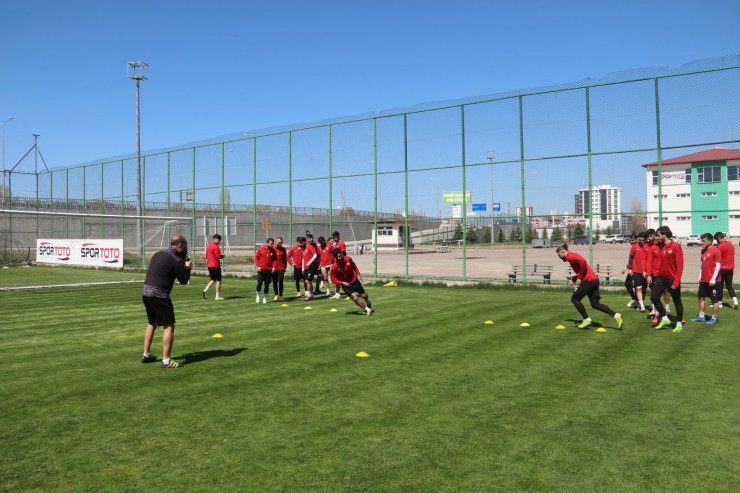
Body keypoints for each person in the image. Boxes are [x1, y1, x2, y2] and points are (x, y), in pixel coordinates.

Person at [140, 235, 192, 368]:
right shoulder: (176, 259)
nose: (186, 249)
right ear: (180, 245)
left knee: (153, 322)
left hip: (146, 291)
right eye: (185, 246)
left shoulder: (159, 253)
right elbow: (183, 280)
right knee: (169, 325)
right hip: (159, 294)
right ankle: (166, 361)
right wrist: (187, 268)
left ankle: (146, 354)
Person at [556, 244, 623, 329]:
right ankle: (616, 315)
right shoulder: (571, 257)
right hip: (594, 280)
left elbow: (583, 261)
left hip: (588, 281)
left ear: (563, 252)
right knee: (595, 304)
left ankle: (586, 319)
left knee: (575, 299)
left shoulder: (570, 256)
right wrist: (575, 278)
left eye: (559, 255)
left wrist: (579, 276)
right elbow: (581, 268)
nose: (559, 257)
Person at [650, 226, 685, 332]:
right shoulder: (660, 246)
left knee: (677, 301)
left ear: (665, 235)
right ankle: (664, 318)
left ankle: (679, 323)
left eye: (658, 235)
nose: (656, 237)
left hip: (672, 279)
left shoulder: (675, 247)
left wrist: (677, 280)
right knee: (654, 297)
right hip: (661, 278)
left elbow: (680, 265)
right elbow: (650, 244)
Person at [330, 247, 374, 315]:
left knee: (364, 295)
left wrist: (358, 274)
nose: (338, 258)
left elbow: (354, 266)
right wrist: (342, 282)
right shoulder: (334, 267)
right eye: (336, 257)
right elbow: (333, 279)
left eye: (339, 256)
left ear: (341, 253)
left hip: (354, 280)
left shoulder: (348, 259)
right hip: (346, 285)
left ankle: (367, 302)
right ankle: (367, 309)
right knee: (355, 298)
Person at [690, 233, 722, 325]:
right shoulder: (703, 251)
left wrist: (713, 279)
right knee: (701, 297)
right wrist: (700, 276)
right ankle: (701, 316)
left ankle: (714, 318)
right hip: (703, 280)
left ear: (710, 241)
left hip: (714, 281)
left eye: (703, 241)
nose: (701, 242)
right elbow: (702, 265)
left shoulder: (716, 251)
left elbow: (718, 265)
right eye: (701, 240)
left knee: (714, 300)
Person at [714, 232, 738, 309]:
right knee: (729, 286)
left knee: (719, 286)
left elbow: (716, 258)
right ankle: (735, 301)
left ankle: (720, 302)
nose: (716, 241)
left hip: (722, 269)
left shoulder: (719, 246)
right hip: (730, 269)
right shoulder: (731, 245)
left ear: (718, 238)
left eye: (716, 239)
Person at [202, 233, 224, 300]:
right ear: (215, 239)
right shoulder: (216, 247)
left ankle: (205, 290)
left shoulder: (208, 246)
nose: (219, 241)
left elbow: (206, 256)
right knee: (218, 281)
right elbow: (218, 256)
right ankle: (217, 296)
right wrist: (222, 255)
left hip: (209, 266)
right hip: (216, 266)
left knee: (212, 280)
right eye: (219, 240)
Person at [254, 238, 275, 304]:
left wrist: (274, 267)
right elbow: (256, 258)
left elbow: (275, 260)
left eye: (273, 244)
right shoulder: (261, 250)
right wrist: (258, 266)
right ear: (267, 243)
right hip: (261, 270)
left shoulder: (273, 251)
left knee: (267, 285)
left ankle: (265, 297)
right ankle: (257, 295)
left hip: (268, 270)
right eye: (271, 244)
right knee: (259, 284)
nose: (272, 245)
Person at [301, 234, 320, 300]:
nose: (301, 244)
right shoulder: (302, 249)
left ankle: (309, 296)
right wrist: (303, 268)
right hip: (306, 267)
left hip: (312, 266)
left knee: (307, 281)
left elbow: (315, 255)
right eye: (300, 243)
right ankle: (311, 295)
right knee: (308, 281)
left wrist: (309, 263)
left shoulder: (310, 247)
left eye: (302, 242)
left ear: (305, 241)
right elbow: (303, 259)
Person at [622, 233, 638, 308]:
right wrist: (626, 268)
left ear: (636, 240)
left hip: (637, 270)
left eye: (633, 240)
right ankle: (634, 299)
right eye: (630, 240)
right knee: (627, 284)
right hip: (631, 270)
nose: (631, 241)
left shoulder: (637, 247)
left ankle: (637, 301)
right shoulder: (633, 247)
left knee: (637, 286)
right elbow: (631, 260)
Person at [330, 231, 346, 299]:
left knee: (344, 278)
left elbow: (344, 253)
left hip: (341, 263)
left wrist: (341, 261)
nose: (334, 239)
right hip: (337, 263)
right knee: (338, 278)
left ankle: (351, 292)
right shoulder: (335, 244)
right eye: (334, 237)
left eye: (335, 237)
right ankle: (337, 293)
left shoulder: (341, 243)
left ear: (338, 237)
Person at [272, 236, 287, 302]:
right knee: (275, 282)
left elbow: (285, 259)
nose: (280, 244)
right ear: (276, 242)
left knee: (280, 280)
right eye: (279, 243)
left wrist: (285, 267)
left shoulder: (283, 249)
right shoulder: (272, 248)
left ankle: (280, 295)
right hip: (273, 268)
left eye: (281, 243)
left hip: (281, 268)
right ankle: (276, 295)